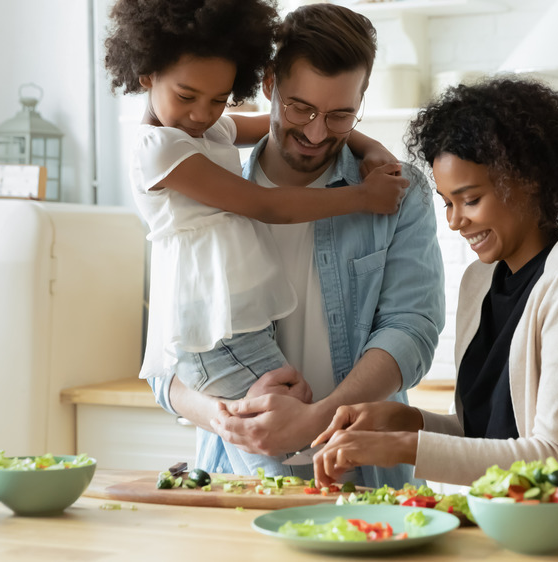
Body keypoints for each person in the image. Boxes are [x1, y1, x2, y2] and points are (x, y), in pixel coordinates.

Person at [309, 76, 558, 515]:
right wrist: (402, 421)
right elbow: (487, 434)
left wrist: (405, 448)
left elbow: (555, 461)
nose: (455, 221)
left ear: (530, 181)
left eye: (470, 199)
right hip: (515, 533)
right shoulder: (479, 282)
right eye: (447, 202)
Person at [104, 0, 411, 477]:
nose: (202, 114)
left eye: (217, 99)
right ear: (146, 74)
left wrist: (369, 146)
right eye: (187, 96)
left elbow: (410, 329)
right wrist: (362, 198)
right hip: (219, 334)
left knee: (287, 462)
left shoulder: (206, 132)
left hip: (242, 329)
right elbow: (264, 205)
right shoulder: (159, 148)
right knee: (280, 470)